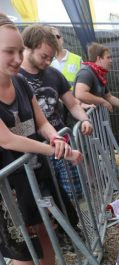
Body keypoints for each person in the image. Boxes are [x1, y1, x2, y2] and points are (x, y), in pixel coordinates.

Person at [0, 14, 83, 265]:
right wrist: (54, 150)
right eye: (8, 51)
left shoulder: (20, 82)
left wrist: (56, 138)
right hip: (8, 184)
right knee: (22, 240)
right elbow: (7, 140)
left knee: (45, 226)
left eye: (18, 50)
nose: (16, 57)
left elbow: (42, 121)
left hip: (35, 172)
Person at [19, 24, 92, 203]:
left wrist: (85, 119)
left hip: (59, 142)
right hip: (32, 151)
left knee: (73, 194)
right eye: (44, 56)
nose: (47, 62)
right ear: (28, 47)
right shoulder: (15, 77)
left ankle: (72, 224)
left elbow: (72, 104)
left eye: (51, 58)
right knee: (46, 199)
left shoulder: (54, 74)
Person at [73, 42, 119, 113]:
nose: (111, 61)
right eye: (108, 58)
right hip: (82, 120)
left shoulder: (98, 74)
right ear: (99, 58)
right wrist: (102, 101)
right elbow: (80, 94)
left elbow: (109, 97)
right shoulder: (86, 73)